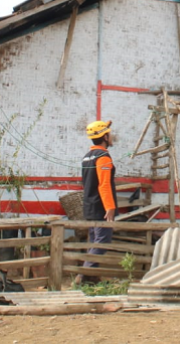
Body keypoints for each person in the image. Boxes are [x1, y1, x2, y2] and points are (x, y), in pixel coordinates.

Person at [75, 120, 117, 285]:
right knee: (102, 240)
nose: (111, 136)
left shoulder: (87, 157)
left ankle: (91, 278)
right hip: (101, 207)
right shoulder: (103, 157)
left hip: (89, 205)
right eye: (109, 133)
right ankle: (83, 274)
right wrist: (110, 207)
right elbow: (104, 184)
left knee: (93, 240)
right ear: (105, 137)